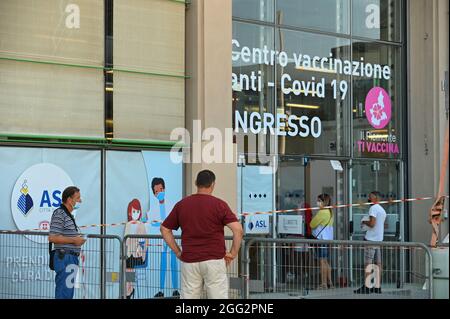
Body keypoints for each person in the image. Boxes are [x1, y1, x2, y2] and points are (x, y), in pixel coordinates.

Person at [160, 170, 243, 299]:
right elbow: (238, 230)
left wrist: (177, 252)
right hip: (214, 260)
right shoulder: (219, 205)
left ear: (195, 183)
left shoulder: (182, 205)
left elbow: (164, 229)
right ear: (213, 184)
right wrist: (232, 254)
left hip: (190, 260)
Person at [48, 186, 86, 299]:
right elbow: (52, 237)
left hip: (71, 257)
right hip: (64, 257)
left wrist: (77, 238)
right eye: (78, 198)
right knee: (64, 293)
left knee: (68, 293)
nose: (80, 201)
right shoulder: (60, 213)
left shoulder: (68, 215)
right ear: (69, 200)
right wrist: (74, 240)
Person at [151, 177, 180, 298]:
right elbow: (151, 221)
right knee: (162, 265)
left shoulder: (172, 205)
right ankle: (161, 290)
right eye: (156, 191)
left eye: (161, 189)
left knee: (174, 264)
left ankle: (175, 289)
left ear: (165, 189)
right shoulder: (153, 209)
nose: (159, 193)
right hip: (161, 241)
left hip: (171, 239)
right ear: (154, 193)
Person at [354, 191, 387, 294]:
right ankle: (377, 286)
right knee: (378, 264)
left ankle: (367, 286)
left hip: (371, 239)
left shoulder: (373, 208)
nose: (368, 198)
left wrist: (364, 221)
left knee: (368, 263)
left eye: (370, 197)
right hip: (379, 240)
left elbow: (372, 224)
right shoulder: (382, 210)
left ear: (375, 198)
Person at [309, 193, 334, 290]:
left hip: (321, 239)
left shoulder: (322, 212)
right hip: (327, 240)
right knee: (326, 261)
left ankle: (323, 283)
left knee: (322, 261)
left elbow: (312, 224)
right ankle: (330, 282)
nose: (317, 203)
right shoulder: (330, 212)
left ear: (324, 202)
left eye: (319, 201)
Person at [124, 199, 147, 299]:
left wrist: (139, 249)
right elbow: (125, 239)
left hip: (138, 254)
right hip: (129, 253)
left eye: (137, 211)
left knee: (131, 271)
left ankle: (130, 291)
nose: (135, 214)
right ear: (130, 212)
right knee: (129, 271)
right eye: (134, 211)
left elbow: (143, 239)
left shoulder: (141, 225)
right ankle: (129, 291)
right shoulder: (127, 225)